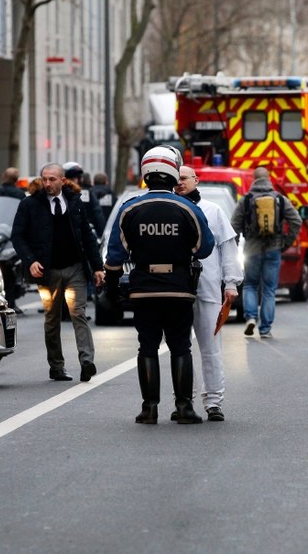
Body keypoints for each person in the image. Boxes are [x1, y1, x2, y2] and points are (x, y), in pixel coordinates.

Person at [105, 146, 215, 425]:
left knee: (147, 347)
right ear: (173, 172)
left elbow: (115, 256)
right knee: (180, 347)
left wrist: (112, 286)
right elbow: (205, 248)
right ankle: (185, 408)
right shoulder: (188, 207)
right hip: (179, 287)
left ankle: (149, 409)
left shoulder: (129, 209)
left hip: (143, 289)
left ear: (145, 173)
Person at [12, 163, 104, 382]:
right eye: (44, 179)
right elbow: (18, 236)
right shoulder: (30, 204)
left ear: (63, 181)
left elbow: (88, 238)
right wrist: (30, 261)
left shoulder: (75, 202)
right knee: (52, 318)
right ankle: (56, 366)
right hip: (47, 270)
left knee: (78, 313)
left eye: (52, 179)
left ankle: (87, 361)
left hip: (75, 268)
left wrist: (98, 267)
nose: (47, 183)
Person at [175, 165, 243, 422]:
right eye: (177, 179)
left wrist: (231, 283)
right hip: (177, 289)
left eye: (185, 178)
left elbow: (228, 248)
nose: (180, 182)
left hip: (208, 287)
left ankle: (214, 401)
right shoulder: (169, 209)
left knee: (210, 348)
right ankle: (183, 400)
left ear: (196, 180)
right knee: (180, 349)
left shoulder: (213, 211)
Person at [230, 166, 302, 339]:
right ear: (269, 179)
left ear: (254, 179)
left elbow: (234, 227)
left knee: (250, 285)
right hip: (273, 249)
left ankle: (250, 318)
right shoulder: (280, 199)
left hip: (252, 249)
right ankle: (265, 329)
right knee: (269, 289)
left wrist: (236, 246)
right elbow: (296, 221)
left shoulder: (246, 200)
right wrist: (285, 243)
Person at [63, 162, 105, 237]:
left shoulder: (86, 192)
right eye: (73, 178)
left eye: (77, 177)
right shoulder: (59, 193)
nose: (77, 180)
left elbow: (98, 214)